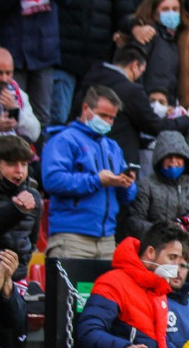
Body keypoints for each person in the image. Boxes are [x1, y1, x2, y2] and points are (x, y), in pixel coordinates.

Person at [41, 86, 137, 260]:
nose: (107, 122)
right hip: (71, 237)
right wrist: (97, 180)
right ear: (86, 108)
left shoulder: (112, 147)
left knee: (104, 289)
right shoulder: (64, 139)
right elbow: (52, 180)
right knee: (68, 288)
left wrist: (127, 184)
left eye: (112, 118)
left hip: (107, 239)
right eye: (103, 115)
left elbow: (127, 198)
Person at [73, 46, 189, 165]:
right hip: (119, 161)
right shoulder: (131, 91)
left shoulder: (89, 81)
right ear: (135, 65)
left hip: (85, 154)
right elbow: (154, 126)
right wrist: (186, 120)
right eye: (142, 71)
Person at [125, 130, 189, 246]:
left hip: (183, 251)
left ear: (186, 159)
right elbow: (135, 221)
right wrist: (163, 233)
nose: (174, 161)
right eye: (168, 157)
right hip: (153, 249)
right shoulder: (145, 186)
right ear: (159, 158)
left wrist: (188, 234)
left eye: (179, 156)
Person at [0, 135, 40, 282]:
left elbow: (32, 240)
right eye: (12, 164)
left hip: (18, 278)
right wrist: (16, 210)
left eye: (24, 164)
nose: (19, 171)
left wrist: (20, 267)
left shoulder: (33, 196)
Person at [0, 48, 40, 143]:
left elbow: (34, 134)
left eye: (8, 73)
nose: (4, 79)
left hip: (11, 150)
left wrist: (16, 112)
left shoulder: (19, 94)